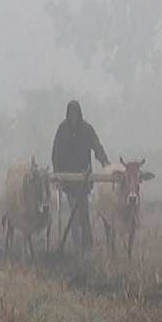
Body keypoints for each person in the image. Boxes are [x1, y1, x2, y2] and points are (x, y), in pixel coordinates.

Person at [51, 100, 109, 250]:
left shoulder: (87, 129)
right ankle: (78, 245)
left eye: (75, 114)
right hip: (68, 180)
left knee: (83, 213)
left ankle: (86, 245)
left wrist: (105, 163)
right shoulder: (62, 130)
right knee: (75, 214)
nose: (73, 117)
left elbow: (97, 147)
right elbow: (55, 152)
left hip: (84, 179)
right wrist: (57, 172)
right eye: (70, 114)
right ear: (67, 114)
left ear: (79, 114)